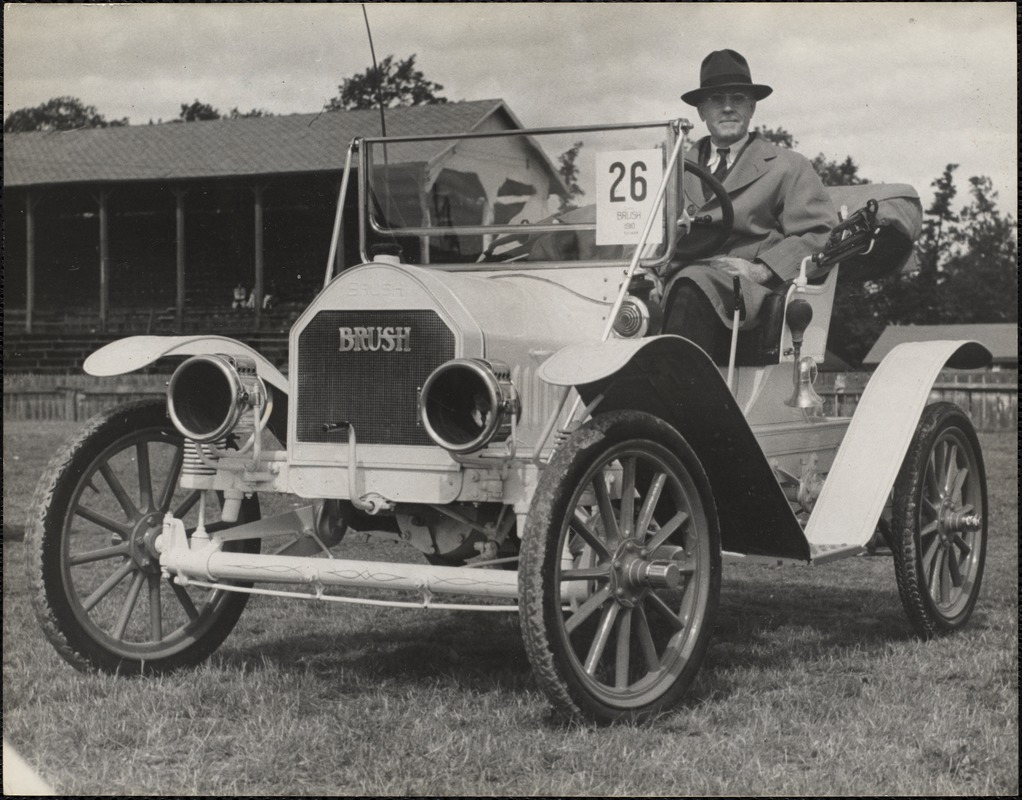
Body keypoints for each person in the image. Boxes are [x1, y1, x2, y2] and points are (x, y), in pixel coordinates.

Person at [663, 49, 837, 363]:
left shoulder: (788, 166)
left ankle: (682, 408)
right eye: (716, 99)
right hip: (673, 278)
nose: (727, 107)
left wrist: (761, 269)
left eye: (738, 98)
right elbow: (646, 228)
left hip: (745, 289)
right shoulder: (673, 168)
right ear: (702, 111)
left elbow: (821, 234)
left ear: (752, 107)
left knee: (690, 285)